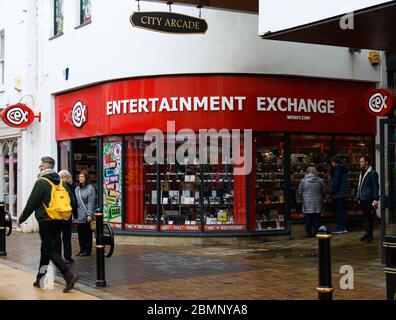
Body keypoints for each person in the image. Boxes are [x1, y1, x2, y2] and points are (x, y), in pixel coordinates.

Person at [17, 157, 78, 292]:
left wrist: (21, 219)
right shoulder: (61, 182)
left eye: (40, 166)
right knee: (46, 249)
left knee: (49, 250)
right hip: (60, 220)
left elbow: (31, 203)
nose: (39, 169)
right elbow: (73, 201)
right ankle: (40, 278)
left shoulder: (42, 182)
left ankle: (68, 274)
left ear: (45, 167)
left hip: (46, 222)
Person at [297, 166, 328, 238]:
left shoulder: (303, 181)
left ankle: (308, 233)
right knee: (317, 217)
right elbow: (325, 190)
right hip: (318, 202)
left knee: (308, 217)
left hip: (307, 202)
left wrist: (302, 199)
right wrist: (323, 197)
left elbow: (299, 191)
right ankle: (316, 232)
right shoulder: (320, 180)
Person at [357, 155, 380, 242]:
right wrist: (358, 196)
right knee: (365, 217)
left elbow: (375, 186)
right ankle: (366, 233)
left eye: (361, 161)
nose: (360, 163)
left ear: (366, 162)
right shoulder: (362, 172)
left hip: (368, 198)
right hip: (362, 198)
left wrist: (375, 199)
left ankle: (370, 235)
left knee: (368, 217)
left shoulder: (372, 173)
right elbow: (360, 186)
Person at [75, 170, 96, 256]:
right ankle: (81, 249)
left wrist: (89, 214)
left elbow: (91, 202)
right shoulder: (77, 189)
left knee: (87, 234)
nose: (80, 178)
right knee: (80, 234)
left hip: (87, 214)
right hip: (79, 215)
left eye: (82, 177)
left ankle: (87, 251)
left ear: (86, 178)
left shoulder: (90, 189)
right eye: (79, 177)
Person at [58, 170, 77, 264]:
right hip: (67, 215)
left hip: (57, 215)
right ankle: (68, 257)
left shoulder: (57, 187)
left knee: (57, 237)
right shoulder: (71, 187)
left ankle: (58, 257)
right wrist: (73, 212)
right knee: (67, 237)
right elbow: (74, 201)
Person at [330, 154, 350, 234]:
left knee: (340, 212)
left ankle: (341, 228)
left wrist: (332, 192)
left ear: (335, 162)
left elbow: (336, 183)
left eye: (332, 162)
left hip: (339, 194)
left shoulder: (338, 170)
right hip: (343, 193)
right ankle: (344, 227)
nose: (331, 164)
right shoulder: (343, 168)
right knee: (343, 211)